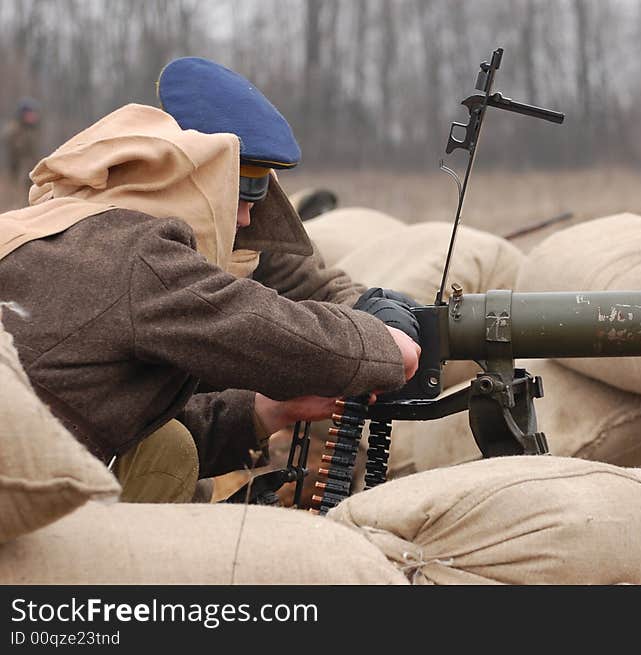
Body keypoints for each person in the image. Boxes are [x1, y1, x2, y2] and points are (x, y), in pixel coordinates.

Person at [0, 57, 421, 504]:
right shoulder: (140, 254)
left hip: (38, 451)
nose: (245, 218)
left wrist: (269, 410)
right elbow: (260, 328)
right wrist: (382, 347)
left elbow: (131, 419)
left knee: (169, 449)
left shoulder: (60, 225)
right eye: (237, 194)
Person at [2, 97, 42, 203]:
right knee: (21, 201)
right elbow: (14, 154)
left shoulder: (32, 130)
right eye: (30, 114)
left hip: (31, 171)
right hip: (20, 172)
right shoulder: (14, 131)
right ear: (22, 114)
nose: (33, 116)